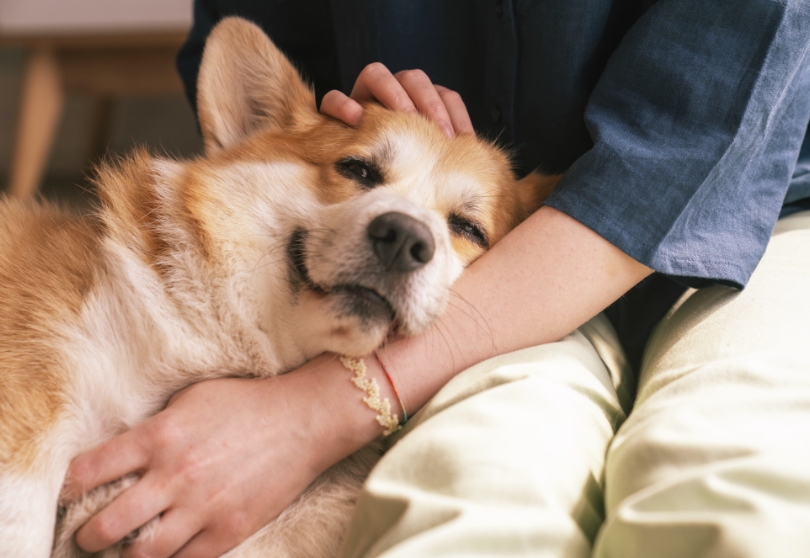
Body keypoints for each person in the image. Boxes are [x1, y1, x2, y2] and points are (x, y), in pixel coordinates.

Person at [62, 1, 810, 557]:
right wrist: (350, 122)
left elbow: (691, 140)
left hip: (757, 219)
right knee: (468, 488)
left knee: (732, 484)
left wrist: (319, 410)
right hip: (481, 264)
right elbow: (260, 45)